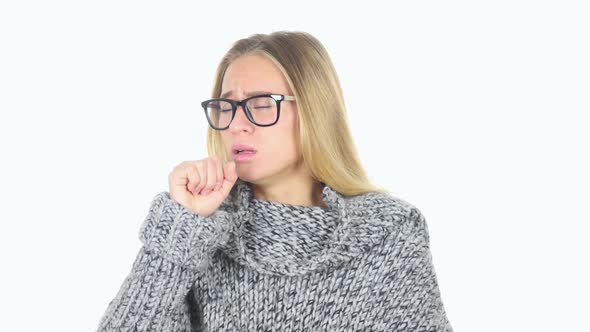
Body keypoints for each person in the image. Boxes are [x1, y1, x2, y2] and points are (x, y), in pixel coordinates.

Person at [96, 31, 453, 331]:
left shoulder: (388, 232)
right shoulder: (200, 232)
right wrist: (179, 230)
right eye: (226, 105)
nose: (237, 124)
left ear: (314, 110)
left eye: (261, 104)